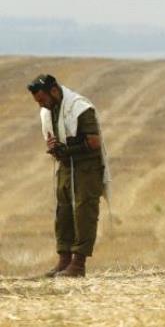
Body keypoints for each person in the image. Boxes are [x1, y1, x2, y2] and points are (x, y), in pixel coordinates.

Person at [28, 74, 111, 278]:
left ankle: (78, 264)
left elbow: (94, 142)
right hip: (66, 165)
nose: (40, 105)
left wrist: (69, 150)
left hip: (86, 167)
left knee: (84, 211)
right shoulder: (49, 111)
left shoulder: (80, 108)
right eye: (37, 101)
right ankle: (64, 260)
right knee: (63, 211)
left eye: (41, 99)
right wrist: (56, 148)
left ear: (54, 91)